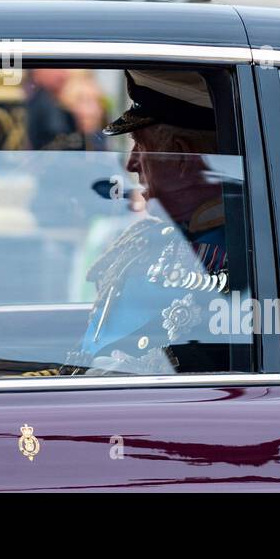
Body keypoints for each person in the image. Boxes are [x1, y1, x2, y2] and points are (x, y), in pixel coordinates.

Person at [67, 70, 233, 374]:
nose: (131, 163)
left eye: (139, 145)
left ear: (181, 157)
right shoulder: (150, 241)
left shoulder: (241, 258)